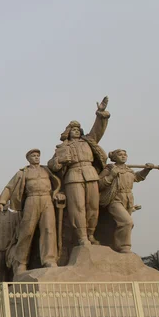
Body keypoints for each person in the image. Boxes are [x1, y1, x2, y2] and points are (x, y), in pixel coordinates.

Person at [48, 96, 110, 247]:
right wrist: (60, 161)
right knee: (78, 208)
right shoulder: (62, 147)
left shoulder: (89, 141)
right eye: (72, 130)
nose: (75, 132)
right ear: (68, 132)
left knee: (93, 206)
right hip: (73, 177)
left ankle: (90, 233)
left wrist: (100, 113)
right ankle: (82, 236)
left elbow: (98, 129)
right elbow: (52, 165)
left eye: (77, 129)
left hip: (90, 174)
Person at [0, 149, 63, 275]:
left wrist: (57, 193)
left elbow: (58, 176)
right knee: (26, 231)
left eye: (38, 155)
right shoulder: (23, 173)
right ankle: (20, 262)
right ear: (28, 159)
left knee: (49, 229)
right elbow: (9, 187)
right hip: (31, 200)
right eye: (33, 156)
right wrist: (1, 201)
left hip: (46, 199)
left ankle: (49, 259)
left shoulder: (46, 170)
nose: (36, 157)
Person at [98, 149, 155, 253]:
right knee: (127, 222)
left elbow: (137, 178)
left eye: (125, 154)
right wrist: (111, 176)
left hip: (128, 198)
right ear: (114, 157)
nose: (123, 156)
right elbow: (98, 184)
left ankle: (114, 246)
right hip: (115, 198)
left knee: (122, 224)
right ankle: (124, 247)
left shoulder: (128, 169)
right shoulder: (109, 168)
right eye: (120, 155)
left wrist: (147, 170)